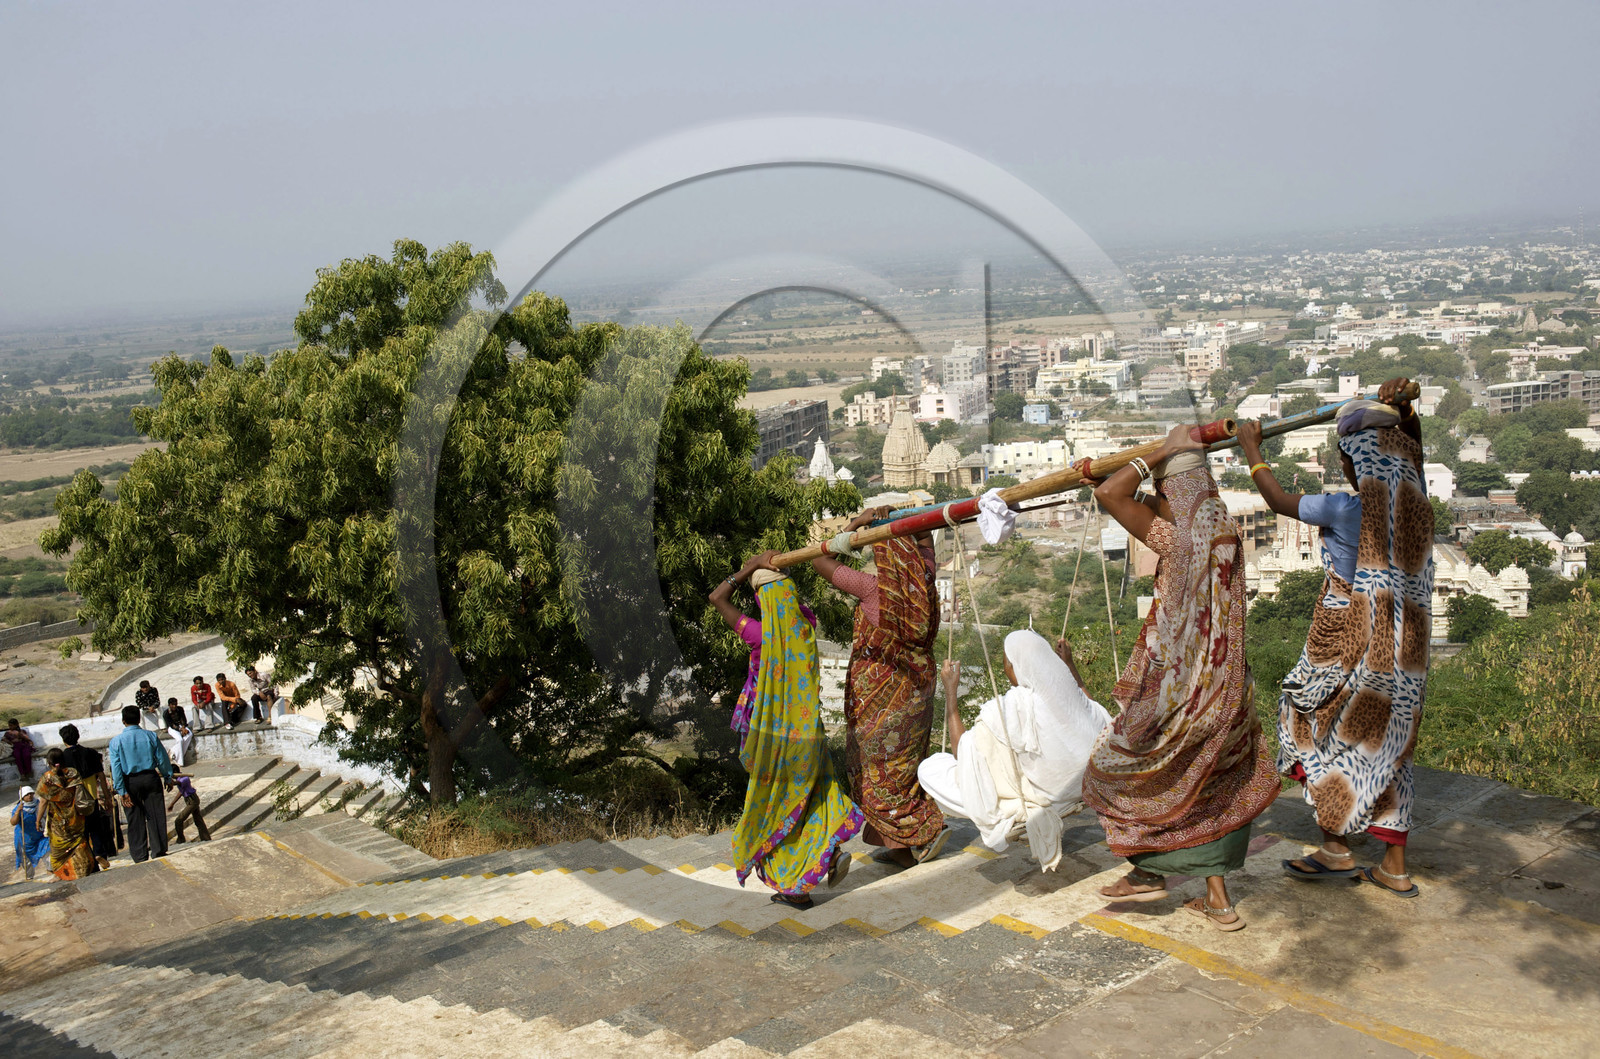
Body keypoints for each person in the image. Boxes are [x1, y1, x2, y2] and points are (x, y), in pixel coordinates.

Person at [1081, 425, 1280, 931]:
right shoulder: (1221, 529)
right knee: (1207, 788)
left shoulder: (1178, 540)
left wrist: (1158, 455)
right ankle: (1216, 899)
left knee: (1118, 771)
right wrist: (1156, 474)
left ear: (1173, 496)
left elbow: (1112, 495)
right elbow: (1142, 498)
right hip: (1227, 691)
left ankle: (1149, 873)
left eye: (1161, 495)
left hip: (1181, 693)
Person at [1239, 378, 1432, 897]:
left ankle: (1335, 847)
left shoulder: (1346, 509)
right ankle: (1394, 865)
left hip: (1346, 634)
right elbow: (1413, 454)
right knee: (1390, 743)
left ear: (1354, 462)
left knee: (1319, 727)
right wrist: (1407, 416)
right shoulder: (1416, 507)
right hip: (1404, 645)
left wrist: (1252, 448)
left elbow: (1277, 499)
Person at [708, 551, 863, 909]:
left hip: (775, 740)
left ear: (763, 600)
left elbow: (716, 597)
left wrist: (748, 568)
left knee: (775, 807)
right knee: (812, 797)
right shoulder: (805, 629)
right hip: (809, 734)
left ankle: (795, 886)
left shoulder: (759, 635)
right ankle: (830, 849)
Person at [811, 507, 948, 869]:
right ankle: (908, 841)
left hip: (879, 696)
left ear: (883, 554)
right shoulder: (926, 582)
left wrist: (855, 527)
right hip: (916, 693)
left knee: (877, 773)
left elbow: (820, 560)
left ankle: (915, 837)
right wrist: (902, 521)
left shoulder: (873, 590)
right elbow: (925, 541)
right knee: (903, 767)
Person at [919, 631, 1111, 870]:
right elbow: (1093, 706)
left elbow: (961, 754)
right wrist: (1069, 664)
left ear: (1017, 666)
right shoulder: (1074, 698)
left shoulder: (1018, 704)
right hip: (1080, 789)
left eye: (1006, 664)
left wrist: (950, 692)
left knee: (932, 768)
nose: (1004, 669)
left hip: (1048, 798)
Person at [109, 704, 174, 862]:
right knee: (156, 815)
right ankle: (158, 849)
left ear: (123, 721)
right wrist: (168, 776)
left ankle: (139, 854)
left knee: (134, 818)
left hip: (130, 782)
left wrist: (122, 791)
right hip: (150, 778)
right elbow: (162, 759)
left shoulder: (116, 741)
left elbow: (116, 768)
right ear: (139, 719)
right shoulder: (150, 736)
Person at [59, 724, 116, 871]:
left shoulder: (62, 758)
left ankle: (89, 861)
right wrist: (108, 797)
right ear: (78, 736)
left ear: (64, 740)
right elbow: (101, 776)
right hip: (91, 798)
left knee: (81, 833)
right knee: (95, 829)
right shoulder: (90, 753)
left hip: (74, 802)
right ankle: (99, 852)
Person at [35, 747, 94, 880]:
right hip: (75, 818)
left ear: (49, 762)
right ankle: (83, 870)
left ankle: (63, 875)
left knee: (58, 852)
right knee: (79, 844)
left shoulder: (47, 778)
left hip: (58, 823)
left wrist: (38, 820)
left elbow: (43, 802)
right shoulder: (73, 773)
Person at [10, 785, 50, 881]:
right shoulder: (19, 808)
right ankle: (29, 878)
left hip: (39, 836)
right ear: (22, 797)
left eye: (31, 793)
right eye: (27, 794)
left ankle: (51, 870)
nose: (30, 796)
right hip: (24, 838)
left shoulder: (38, 804)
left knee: (47, 851)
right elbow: (13, 822)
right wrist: (17, 812)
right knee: (26, 860)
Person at [166, 772, 210, 844]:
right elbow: (180, 792)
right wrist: (172, 804)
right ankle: (206, 838)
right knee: (198, 820)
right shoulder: (180, 779)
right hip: (190, 800)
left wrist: (168, 780)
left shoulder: (184, 779)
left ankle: (181, 839)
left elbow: (177, 783)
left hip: (192, 801)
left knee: (179, 820)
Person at [163, 698, 195, 767]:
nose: (174, 706)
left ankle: (173, 752)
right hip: (172, 728)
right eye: (172, 705)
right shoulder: (166, 713)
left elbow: (183, 719)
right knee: (179, 740)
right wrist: (180, 729)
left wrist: (183, 727)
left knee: (189, 735)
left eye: (175, 704)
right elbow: (171, 725)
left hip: (181, 726)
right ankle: (180, 762)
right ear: (169, 705)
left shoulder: (180, 709)